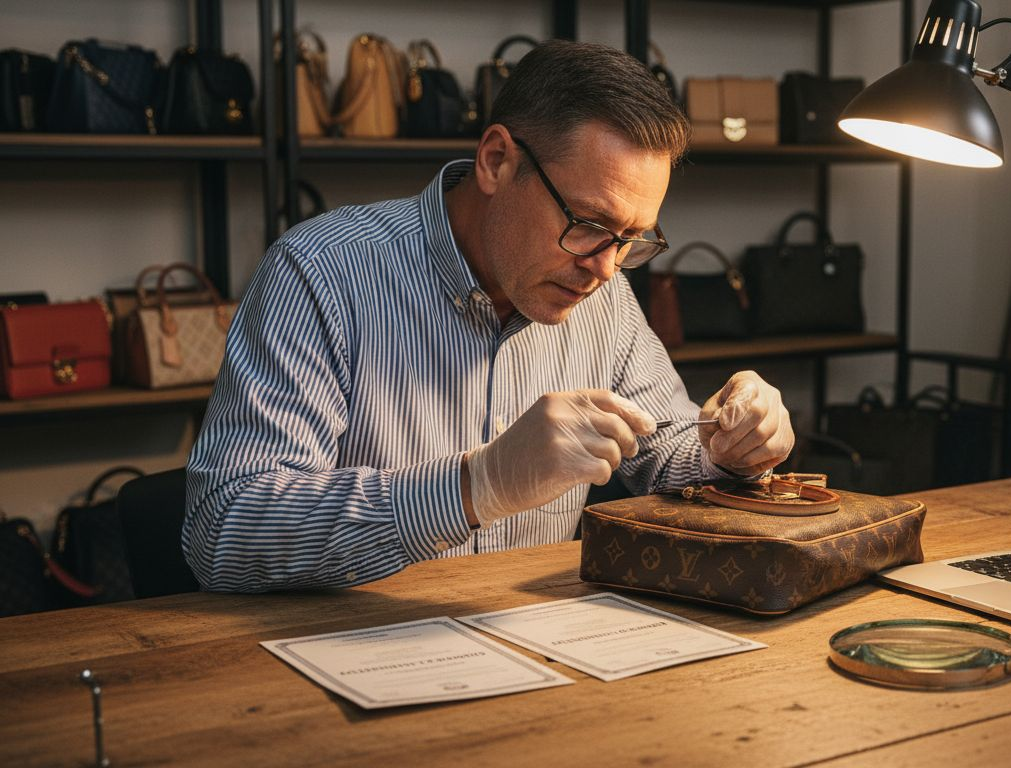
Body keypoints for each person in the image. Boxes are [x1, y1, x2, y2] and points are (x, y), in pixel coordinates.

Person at [184, 40, 795, 592]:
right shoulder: (319, 274)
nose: (607, 268)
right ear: (497, 160)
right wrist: (476, 485)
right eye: (586, 224)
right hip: (349, 655)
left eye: (631, 238)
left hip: (539, 651)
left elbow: (663, 450)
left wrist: (730, 446)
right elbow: (222, 533)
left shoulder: (599, 283)